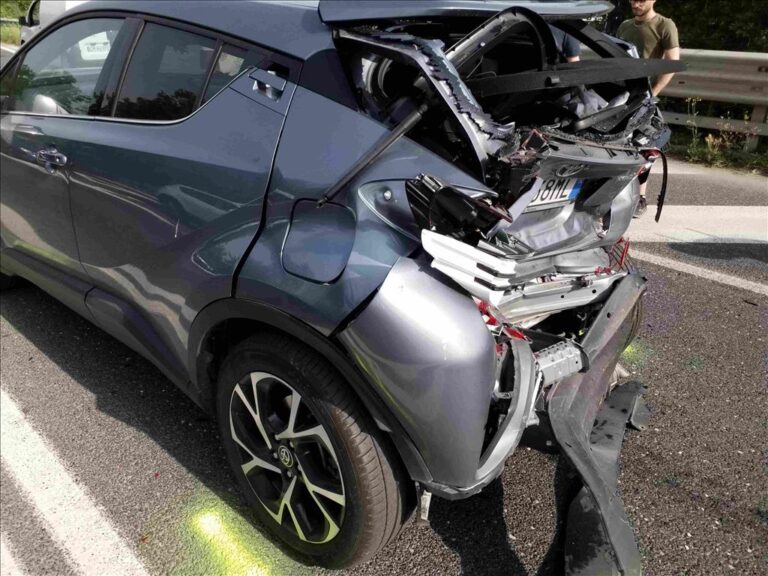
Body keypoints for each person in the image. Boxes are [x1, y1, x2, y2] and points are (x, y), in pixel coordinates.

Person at [617, 0, 680, 218]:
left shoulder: (664, 25)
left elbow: (672, 63)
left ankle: (640, 197)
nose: (636, 4)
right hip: (621, 92)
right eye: (633, 0)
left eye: (641, 0)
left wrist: (654, 93)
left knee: (645, 145)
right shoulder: (625, 25)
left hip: (644, 95)